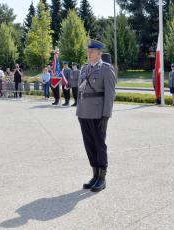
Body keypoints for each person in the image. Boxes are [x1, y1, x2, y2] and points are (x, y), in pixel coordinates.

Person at [77, 39, 116, 192]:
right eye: (88, 51)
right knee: (89, 145)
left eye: (91, 51)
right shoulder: (84, 68)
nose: (88, 53)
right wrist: (78, 111)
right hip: (84, 113)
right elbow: (81, 91)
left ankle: (102, 177)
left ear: (99, 53)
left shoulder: (106, 69)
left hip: (98, 113)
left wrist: (106, 115)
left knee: (99, 145)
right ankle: (94, 175)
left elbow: (110, 94)